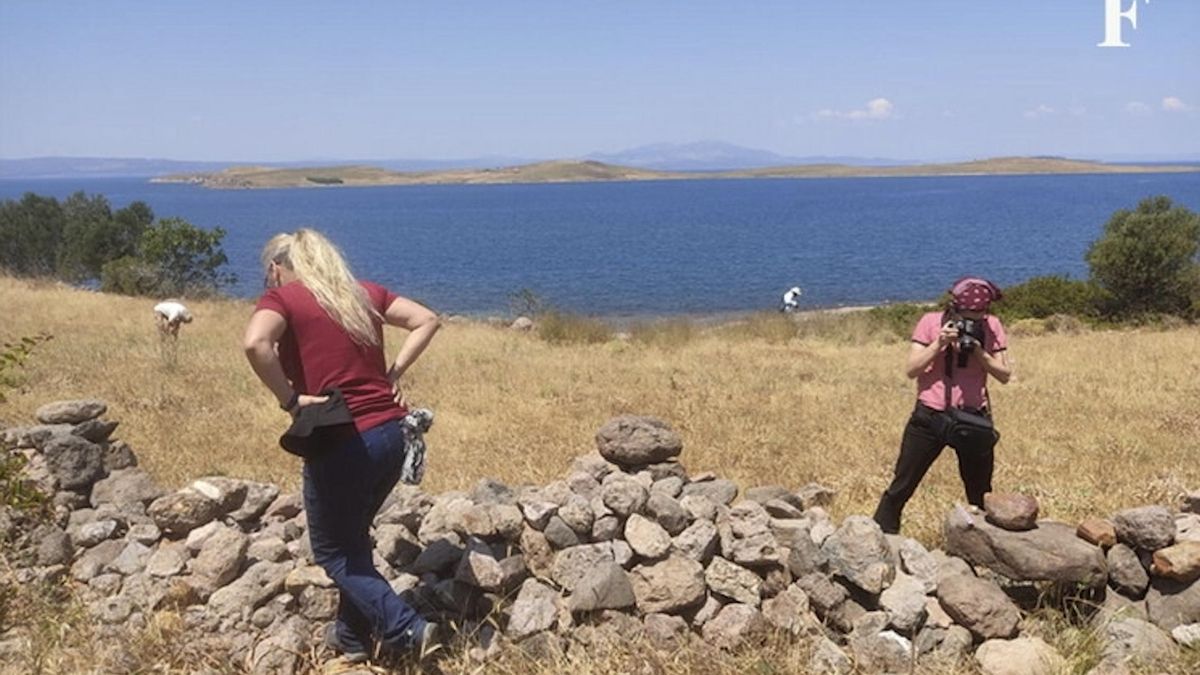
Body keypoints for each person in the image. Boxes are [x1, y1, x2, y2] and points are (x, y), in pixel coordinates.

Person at [242, 228, 441, 662]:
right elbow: (427, 319)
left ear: (278, 267)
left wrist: (290, 400)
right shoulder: (364, 294)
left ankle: (408, 628)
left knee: (333, 552)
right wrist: (393, 375)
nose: (268, 282)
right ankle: (352, 639)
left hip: (341, 439)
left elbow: (256, 343)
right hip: (393, 435)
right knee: (352, 541)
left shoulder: (284, 299)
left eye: (267, 274)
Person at [872, 277, 1012, 534]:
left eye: (980, 314)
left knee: (980, 493)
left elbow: (1004, 375)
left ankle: (984, 551)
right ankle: (879, 538)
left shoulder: (992, 326)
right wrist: (939, 344)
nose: (974, 320)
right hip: (930, 416)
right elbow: (911, 370)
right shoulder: (930, 322)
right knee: (901, 486)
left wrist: (980, 352)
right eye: (969, 315)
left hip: (973, 417)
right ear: (955, 309)